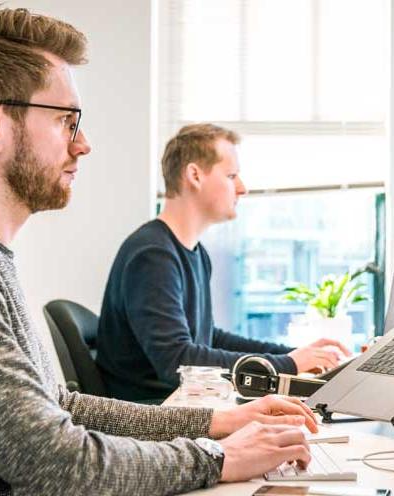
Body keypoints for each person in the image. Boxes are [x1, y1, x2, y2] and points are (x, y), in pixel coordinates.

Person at [0, 5, 317, 495]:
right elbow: (55, 462)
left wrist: (219, 421)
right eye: (66, 121)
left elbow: (59, 406)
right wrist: (220, 457)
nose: (84, 144)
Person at [97, 123, 351, 402]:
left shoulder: (193, 253)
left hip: (182, 405)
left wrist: (291, 354)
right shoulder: (152, 255)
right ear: (194, 175)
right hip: (154, 414)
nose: (242, 189)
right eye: (231, 176)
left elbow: (208, 338)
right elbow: (177, 363)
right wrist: (288, 365)